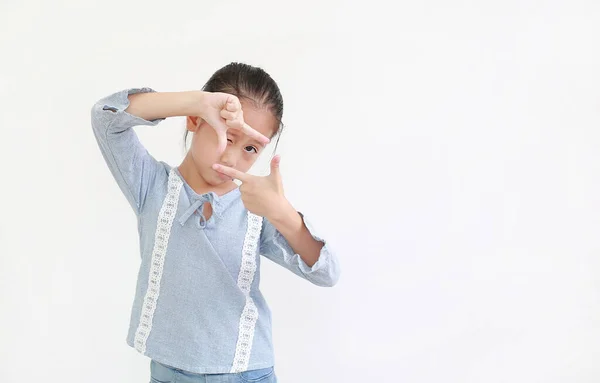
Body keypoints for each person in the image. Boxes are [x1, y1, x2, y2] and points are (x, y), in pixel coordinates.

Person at [90, 62, 341, 383]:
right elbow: (106, 116)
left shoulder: (256, 206)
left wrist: (282, 213)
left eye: (250, 148)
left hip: (249, 372)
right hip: (171, 373)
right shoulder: (151, 185)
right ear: (196, 120)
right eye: (227, 135)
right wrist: (194, 101)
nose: (232, 157)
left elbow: (327, 273)